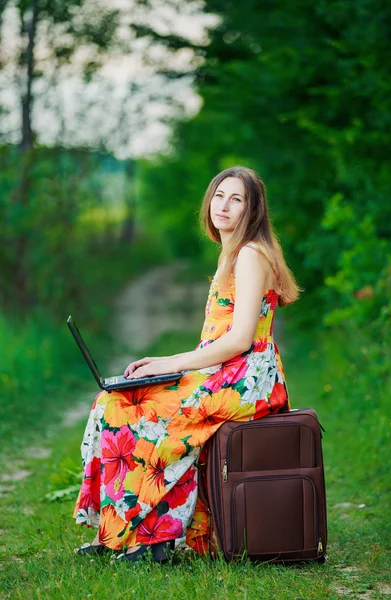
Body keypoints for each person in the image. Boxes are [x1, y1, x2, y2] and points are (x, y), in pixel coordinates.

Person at [74, 165, 300, 563]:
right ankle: (120, 533)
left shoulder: (250, 255)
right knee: (113, 403)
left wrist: (169, 361)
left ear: (253, 209)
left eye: (237, 199)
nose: (224, 206)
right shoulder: (232, 253)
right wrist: (171, 368)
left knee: (139, 411)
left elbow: (240, 339)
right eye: (219, 196)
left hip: (247, 379)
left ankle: (150, 539)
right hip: (229, 372)